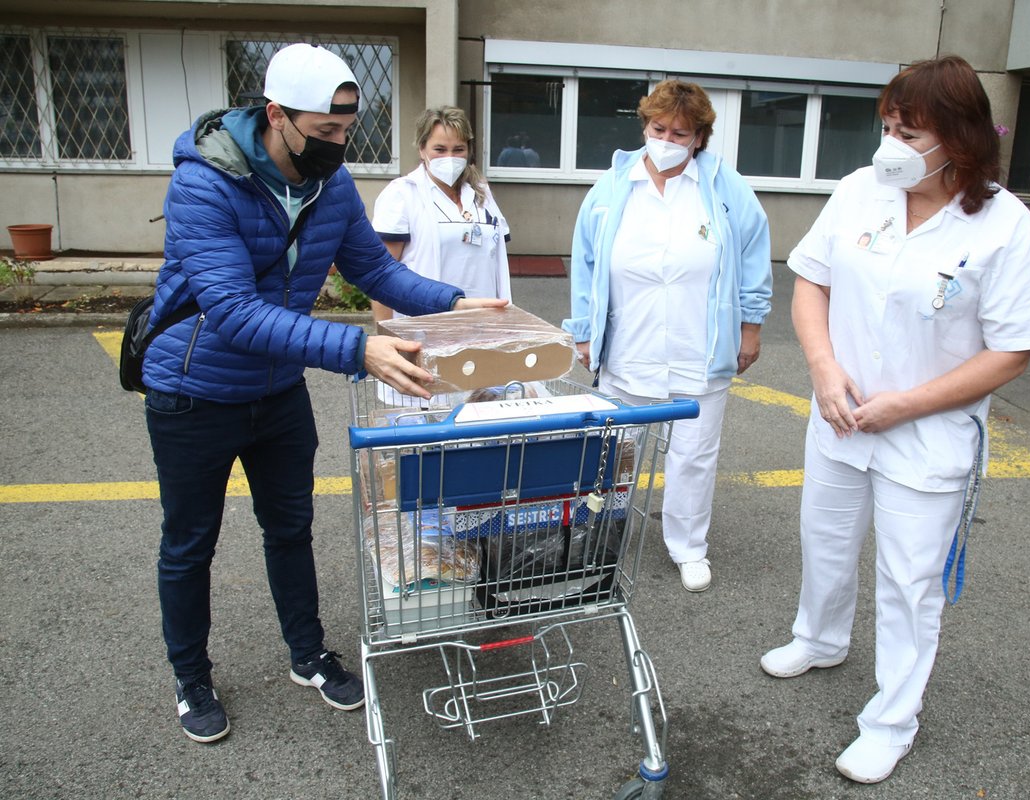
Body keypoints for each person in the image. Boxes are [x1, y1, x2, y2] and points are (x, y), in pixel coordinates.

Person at [142, 43, 505, 744]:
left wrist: (458, 304)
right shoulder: (203, 183)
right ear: (276, 115)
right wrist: (357, 349)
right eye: (327, 131)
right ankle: (190, 676)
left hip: (275, 389)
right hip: (195, 390)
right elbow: (232, 311)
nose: (340, 145)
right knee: (190, 542)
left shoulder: (328, 182)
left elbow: (377, 273)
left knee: (291, 528)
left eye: (349, 131)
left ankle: (306, 654)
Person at [760, 56, 1030, 783]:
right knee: (824, 539)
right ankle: (820, 638)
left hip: (926, 435)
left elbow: (1012, 352)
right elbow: (811, 286)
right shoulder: (861, 191)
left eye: (910, 130)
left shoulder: (1004, 224)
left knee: (909, 580)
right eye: (887, 125)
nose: (891, 143)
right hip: (839, 415)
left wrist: (906, 404)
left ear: (959, 138)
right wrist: (825, 371)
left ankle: (891, 721)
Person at [563, 79, 772, 593]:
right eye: (659, 128)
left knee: (694, 453)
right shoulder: (613, 187)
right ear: (645, 126)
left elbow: (752, 257)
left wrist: (751, 327)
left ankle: (688, 546)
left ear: (700, 137)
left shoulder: (726, 189)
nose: (667, 139)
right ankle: (598, 539)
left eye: (681, 133)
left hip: (698, 347)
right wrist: (585, 333)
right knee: (613, 449)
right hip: (628, 345)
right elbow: (586, 264)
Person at [371, 106, 512, 323]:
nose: (450, 157)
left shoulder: (480, 193)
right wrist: (386, 333)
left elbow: (495, 262)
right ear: (422, 149)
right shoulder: (402, 194)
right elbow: (381, 275)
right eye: (439, 149)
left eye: (458, 149)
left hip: (483, 325)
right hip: (424, 326)